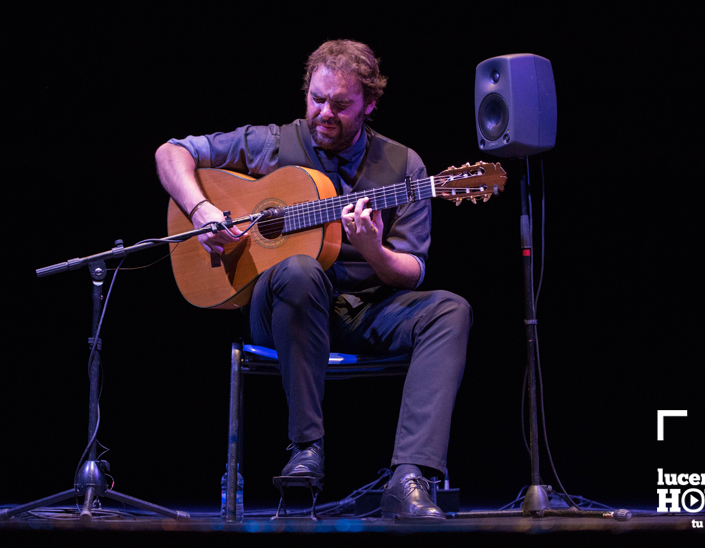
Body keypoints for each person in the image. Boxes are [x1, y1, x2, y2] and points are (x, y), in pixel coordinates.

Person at [156, 39, 472, 520]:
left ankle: (409, 477)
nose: (325, 113)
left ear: (369, 103)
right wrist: (202, 208)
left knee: (451, 309)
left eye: (341, 105)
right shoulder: (271, 143)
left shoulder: (405, 167)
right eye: (317, 99)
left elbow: (411, 272)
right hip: (282, 311)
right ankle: (307, 446)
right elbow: (171, 152)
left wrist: (374, 250)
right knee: (301, 271)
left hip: (365, 310)